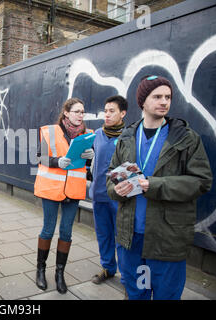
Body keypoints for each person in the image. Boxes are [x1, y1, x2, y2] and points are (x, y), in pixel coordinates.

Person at [106, 75, 212, 300]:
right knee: (137, 292)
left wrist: (153, 185)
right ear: (142, 101)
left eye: (168, 97)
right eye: (157, 96)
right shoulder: (126, 137)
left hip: (166, 238)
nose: (164, 101)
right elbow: (111, 179)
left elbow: (201, 181)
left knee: (165, 295)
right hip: (131, 238)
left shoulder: (186, 139)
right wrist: (117, 190)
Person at [34, 98, 94, 294]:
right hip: (52, 188)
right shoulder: (50, 131)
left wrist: (91, 157)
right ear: (66, 113)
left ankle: (60, 274)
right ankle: (40, 270)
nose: (80, 115)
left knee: (66, 232)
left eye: (82, 112)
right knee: (48, 229)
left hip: (74, 190)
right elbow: (40, 156)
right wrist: (57, 161)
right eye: (77, 111)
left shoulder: (87, 135)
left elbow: (88, 167)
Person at [88, 95, 128, 284]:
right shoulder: (96, 134)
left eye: (112, 111)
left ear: (123, 113)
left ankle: (128, 277)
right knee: (103, 234)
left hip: (120, 197)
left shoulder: (129, 136)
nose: (107, 114)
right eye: (105, 111)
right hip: (99, 195)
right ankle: (108, 268)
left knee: (122, 238)